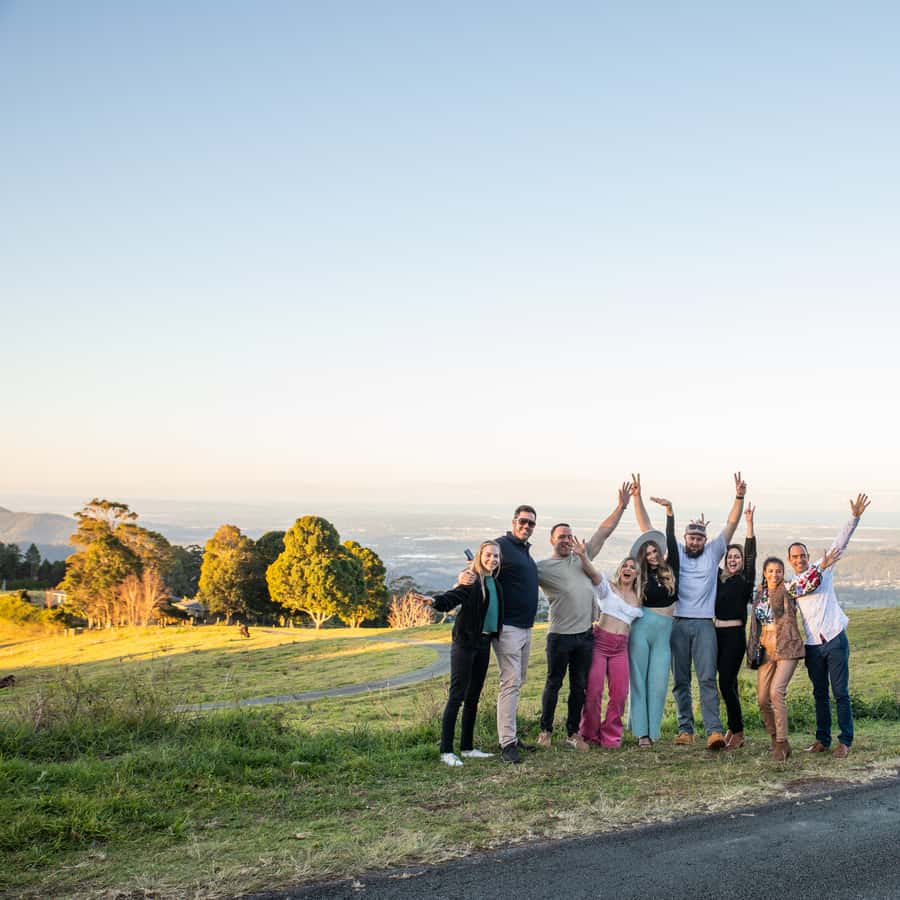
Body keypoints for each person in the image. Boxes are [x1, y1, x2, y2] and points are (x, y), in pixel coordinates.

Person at [636, 473, 747, 750]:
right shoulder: (676, 556)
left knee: (707, 678)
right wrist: (638, 497)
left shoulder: (712, 552)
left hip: (705, 625)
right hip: (678, 624)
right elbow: (648, 531)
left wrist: (739, 497)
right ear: (685, 538)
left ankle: (714, 731)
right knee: (681, 680)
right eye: (691, 538)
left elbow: (732, 524)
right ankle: (686, 729)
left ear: (705, 540)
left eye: (700, 538)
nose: (695, 542)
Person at [535, 484, 631, 751]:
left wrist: (622, 506)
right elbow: (516, 575)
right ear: (552, 540)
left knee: (579, 687)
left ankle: (572, 733)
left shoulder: (582, 557)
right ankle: (545, 731)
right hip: (558, 637)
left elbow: (603, 531)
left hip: (585, 636)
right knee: (553, 684)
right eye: (561, 536)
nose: (566, 540)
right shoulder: (542, 568)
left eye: (569, 536)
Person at [788, 493, 871, 758]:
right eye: (795, 556)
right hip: (813, 646)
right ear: (791, 561)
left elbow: (841, 542)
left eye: (802, 555)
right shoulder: (794, 584)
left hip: (834, 639)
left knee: (841, 693)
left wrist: (854, 518)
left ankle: (845, 740)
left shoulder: (823, 568)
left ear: (808, 556)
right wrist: (819, 567)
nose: (799, 559)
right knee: (819, 694)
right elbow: (799, 588)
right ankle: (822, 739)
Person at [457, 505, 539, 765]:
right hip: (509, 628)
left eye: (531, 524)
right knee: (510, 682)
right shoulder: (502, 545)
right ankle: (507, 744)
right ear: (514, 522)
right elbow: (479, 566)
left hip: (526, 628)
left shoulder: (524, 551)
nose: (526, 526)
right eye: (523, 522)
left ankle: (511, 737)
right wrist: (463, 578)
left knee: (518, 681)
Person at [414, 541, 504, 767]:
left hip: (484, 643)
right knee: (457, 697)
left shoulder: (494, 583)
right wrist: (434, 601)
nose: (492, 559)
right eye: (488, 555)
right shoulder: (471, 580)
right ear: (479, 557)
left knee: (473, 697)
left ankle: (467, 747)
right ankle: (446, 751)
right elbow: (452, 597)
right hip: (465, 644)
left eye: (496, 556)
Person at [747, 548, 841, 761]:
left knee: (776, 692)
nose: (775, 575)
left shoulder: (788, 588)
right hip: (766, 648)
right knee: (762, 699)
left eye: (779, 571)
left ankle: (781, 742)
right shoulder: (759, 593)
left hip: (787, 647)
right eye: (770, 571)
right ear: (764, 573)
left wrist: (822, 567)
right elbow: (755, 625)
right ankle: (776, 739)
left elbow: (807, 582)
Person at [627, 474, 680, 748]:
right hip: (642, 627)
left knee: (658, 684)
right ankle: (641, 733)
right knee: (638, 680)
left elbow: (669, 539)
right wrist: (636, 498)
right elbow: (644, 528)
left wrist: (670, 513)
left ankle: (653, 730)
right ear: (643, 556)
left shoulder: (671, 569)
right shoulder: (641, 574)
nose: (652, 554)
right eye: (647, 552)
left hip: (665, 631)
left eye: (654, 550)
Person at [579, 557, 643, 747]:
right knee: (593, 691)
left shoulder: (639, 597)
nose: (628, 569)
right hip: (600, 642)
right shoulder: (608, 588)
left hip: (620, 647)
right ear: (619, 569)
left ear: (637, 574)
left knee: (620, 693)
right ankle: (589, 734)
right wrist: (583, 555)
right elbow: (593, 573)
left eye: (633, 567)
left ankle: (611, 735)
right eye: (625, 565)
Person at [714, 503, 757, 749]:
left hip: (734, 636)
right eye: (730, 557)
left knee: (726, 682)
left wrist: (748, 525)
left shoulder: (744, 579)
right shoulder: (718, 579)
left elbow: (752, 555)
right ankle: (733, 727)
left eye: (737, 557)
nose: (733, 560)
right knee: (726, 683)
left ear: (741, 562)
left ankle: (738, 731)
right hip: (716, 634)